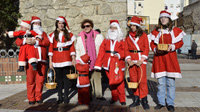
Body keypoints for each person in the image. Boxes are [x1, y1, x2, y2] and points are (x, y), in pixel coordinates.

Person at [149, 10, 185, 112]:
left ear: (169, 19)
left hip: (170, 59)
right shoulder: (156, 31)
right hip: (159, 59)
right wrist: (155, 49)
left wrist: (173, 46)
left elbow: (180, 42)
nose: (163, 19)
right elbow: (152, 43)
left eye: (165, 17)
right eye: (161, 18)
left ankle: (170, 103)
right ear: (160, 19)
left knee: (171, 83)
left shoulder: (174, 30)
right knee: (160, 84)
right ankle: (161, 102)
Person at [95, 20, 126, 105]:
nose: (112, 29)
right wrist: (98, 64)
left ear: (118, 29)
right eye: (111, 27)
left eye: (115, 28)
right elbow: (101, 52)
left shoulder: (122, 40)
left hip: (118, 64)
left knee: (120, 82)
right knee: (112, 82)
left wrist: (119, 55)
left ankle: (122, 99)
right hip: (107, 64)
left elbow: (125, 51)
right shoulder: (106, 40)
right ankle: (114, 97)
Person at [48, 16, 76, 104]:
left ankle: (66, 97)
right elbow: (51, 48)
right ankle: (60, 97)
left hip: (66, 58)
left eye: (62, 23)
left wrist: (73, 58)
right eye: (59, 23)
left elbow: (72, 47)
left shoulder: (69, 34)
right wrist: (50, 61)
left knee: (66, 79)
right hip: (56, 59)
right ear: (57, 24)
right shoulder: (53, 34)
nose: (61, 25)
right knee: (59, 80)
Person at [124, 16, 150, 110]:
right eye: (131, 26)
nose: (132, 27)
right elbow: (126, 49)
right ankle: (136, 99)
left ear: (138, 26)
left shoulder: (144, 35)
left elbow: (147, 48)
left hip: (140, 61)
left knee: (142, 81)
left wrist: (142, 60)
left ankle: (144, 100)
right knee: (133, 80)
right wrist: (128, 60)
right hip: (131, 60)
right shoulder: (128, 36)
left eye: (134, 26)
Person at [75, 19, 104, 99]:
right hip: (85, 61)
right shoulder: (79, 38)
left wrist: (101, 60)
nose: (86, 28)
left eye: (87, 26)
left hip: (96, 60)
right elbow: (77, 50)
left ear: (91, 26)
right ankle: (89, 95)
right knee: (88, 79)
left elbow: (102, 49)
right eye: (84, 26)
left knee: (97, 78)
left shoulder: (99, 36)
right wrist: (78, 60)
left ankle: (98, 95)